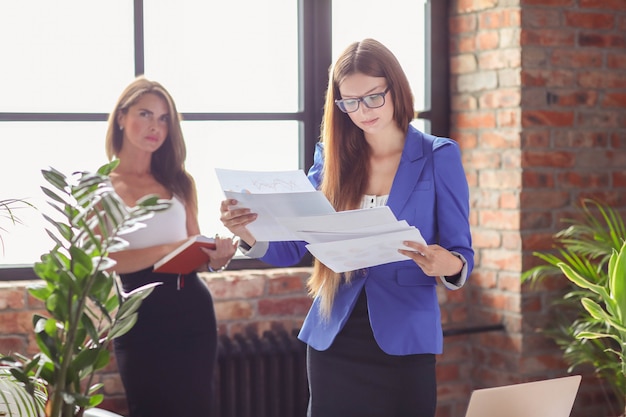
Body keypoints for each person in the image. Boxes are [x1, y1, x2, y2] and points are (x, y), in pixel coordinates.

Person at [219, 38, 474, 417]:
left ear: (396, 88)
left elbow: (461, 254)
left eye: (373, 97)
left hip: (404, 338)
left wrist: (446, 265)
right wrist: (248, 232)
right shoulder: (332, 160)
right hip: (334, 337)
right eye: (349, 102)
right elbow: (293, 246)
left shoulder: (438, 156)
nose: (363, 111)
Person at [104, 76, 237, 417]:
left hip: (191, 310)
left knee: (197, 408)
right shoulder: (101, 187)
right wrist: (169, 248)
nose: (156, 126)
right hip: (138, 317)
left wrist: (216, 259)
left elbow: (193, 252)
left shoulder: (179, 180)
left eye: (164, 119)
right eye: (146, 114)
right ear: (121, 117)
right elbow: (105, 260)